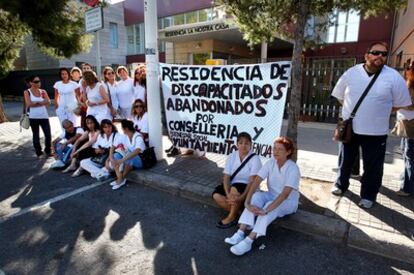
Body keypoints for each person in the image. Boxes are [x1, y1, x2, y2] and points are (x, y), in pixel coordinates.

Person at [331, 41, 411, 209]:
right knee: (345, 160)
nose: (380, 56)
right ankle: (340, 185)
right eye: (376, 52)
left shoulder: (393, 77)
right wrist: (352, 111)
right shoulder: (351, 73)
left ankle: (368, 195)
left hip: (376, 132)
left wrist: (378, 110)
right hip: (351, 128)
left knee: (373, 167)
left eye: (384, 54)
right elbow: (340, 97)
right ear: (367, 55)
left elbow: (400, 103)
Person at [224, 137, 300, 256]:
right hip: (271, 195)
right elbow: (257, 181)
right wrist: (247, 202)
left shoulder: (293, 168)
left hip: (288, 201)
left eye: (280, 149)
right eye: (274, 148)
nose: (275, 152)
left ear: (288, 152)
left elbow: (284, 195)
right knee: (257, 197)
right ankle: (241, 231)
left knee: (270, 206)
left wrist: (265, 210)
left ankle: (249, 240)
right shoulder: (271, 162)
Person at [212, 132, 262, 228]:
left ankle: (232, 217)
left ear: (251, 145)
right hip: (234, 187)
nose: (243, 145)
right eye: (241, 143)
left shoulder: (255, 158)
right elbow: (226, 177)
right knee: (216, 195)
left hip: (248, 187)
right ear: (237, 144)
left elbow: (252, 181)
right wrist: (228, 194)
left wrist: (242, 197)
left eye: (246, 143)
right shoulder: (232, 156)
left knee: (234, 189)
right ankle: (239, 211)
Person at [110, 119, 146, 190]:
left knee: (126, 157)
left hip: (140, 161)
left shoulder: (138, 136)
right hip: (129, 159)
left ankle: (120, 179)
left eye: (122, 128)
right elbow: (113, 147)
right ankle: (120, 178)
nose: (122, 130)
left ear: (125, 128)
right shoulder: (124, 136)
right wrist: (111, 158)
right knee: (116, 156)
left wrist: (121, 160)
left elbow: (136, 151)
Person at [397, 60, 414, 197]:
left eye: (408, 68)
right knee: (405, 153)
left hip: (411, 126)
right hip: (407, 124)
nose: (406, 70)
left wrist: (398, 104)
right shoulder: (409, 84)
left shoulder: (412, 86)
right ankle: (405, 179)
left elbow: (410, 105)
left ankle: (407, 188)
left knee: (409, 156)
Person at [23, 75, 52, 157]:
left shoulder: (43, 91)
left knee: (48, 135)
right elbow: (29, 104)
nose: (38, 83)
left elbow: (49, 101)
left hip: (44, 116)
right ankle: (38, 152)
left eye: (39, 81)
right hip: (33, 117)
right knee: (36, 135)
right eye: (36, 82)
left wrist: (36, 103)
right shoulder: (27, 92)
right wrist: (42, 102)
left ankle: (48, 150)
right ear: (31, 83)